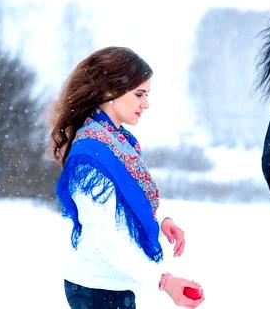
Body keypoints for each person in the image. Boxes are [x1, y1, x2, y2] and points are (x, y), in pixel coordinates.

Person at [50, 46, 205, 309]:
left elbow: (127, 202)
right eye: (139, 94)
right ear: (110, 92)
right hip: (97, 290)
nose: (146, 104)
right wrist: (165, 282)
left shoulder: (117, 142)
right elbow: (105, 236)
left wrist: (160, 219)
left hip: (111, 287)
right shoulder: (92, 152)